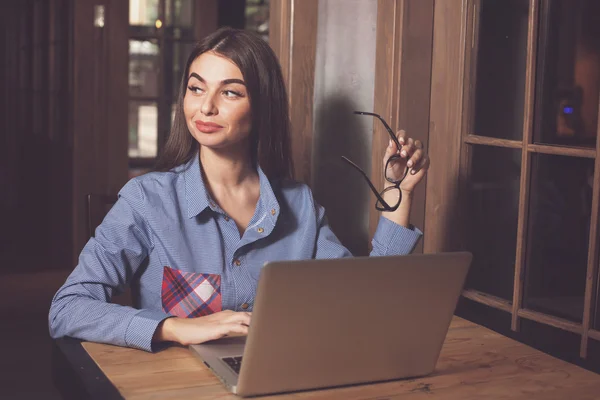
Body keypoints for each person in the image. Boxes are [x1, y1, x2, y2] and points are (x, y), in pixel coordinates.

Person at [49, 27, 430, 352]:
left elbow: (365, 304)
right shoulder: (146, 200)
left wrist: (399, 192)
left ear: (262, 106)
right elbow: (68, 308)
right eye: (196, 88)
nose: (206, 107)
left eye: (230, 92)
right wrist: (176, 327)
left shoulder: (300, 204)